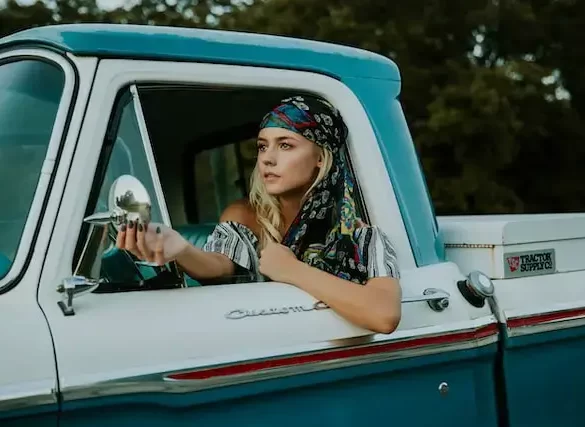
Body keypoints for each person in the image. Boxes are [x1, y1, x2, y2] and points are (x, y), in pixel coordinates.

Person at [116, 95, 402, 334]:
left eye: (286, 145)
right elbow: (220, 265)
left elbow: (384, 316)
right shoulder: (245, 216)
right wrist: (180, 248)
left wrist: (291, 269)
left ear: (320, 157)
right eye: (263, 146)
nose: (267, 158)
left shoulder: (360, 236)